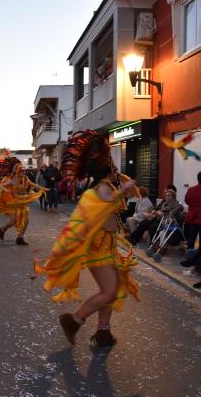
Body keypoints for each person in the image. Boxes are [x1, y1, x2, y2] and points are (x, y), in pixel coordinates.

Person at [34, 132, 139, 347]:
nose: (116, 168)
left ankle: (103, 333)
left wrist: (122, 192)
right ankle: (74, 320)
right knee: (109, 290)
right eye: (112, 164)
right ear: (107, 168)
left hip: (107, 246)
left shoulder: (106, 188)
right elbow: (106, 215)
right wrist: (123, 194)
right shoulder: (102, 189)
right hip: (98, 249)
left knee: (113, 289)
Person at [0, 163, 48, 245]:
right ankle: (2, 229)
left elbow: (33, 184)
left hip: (23, 202)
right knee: (13, 221)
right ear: (17, 172)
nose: (23, 172)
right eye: (21, 171)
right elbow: (0, 185)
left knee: (26, 221)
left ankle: (20, 237)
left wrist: (43, 188)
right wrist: (6, 190)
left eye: (24, 171)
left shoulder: (25, 179)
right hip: (15, 203)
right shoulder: (14, 180)